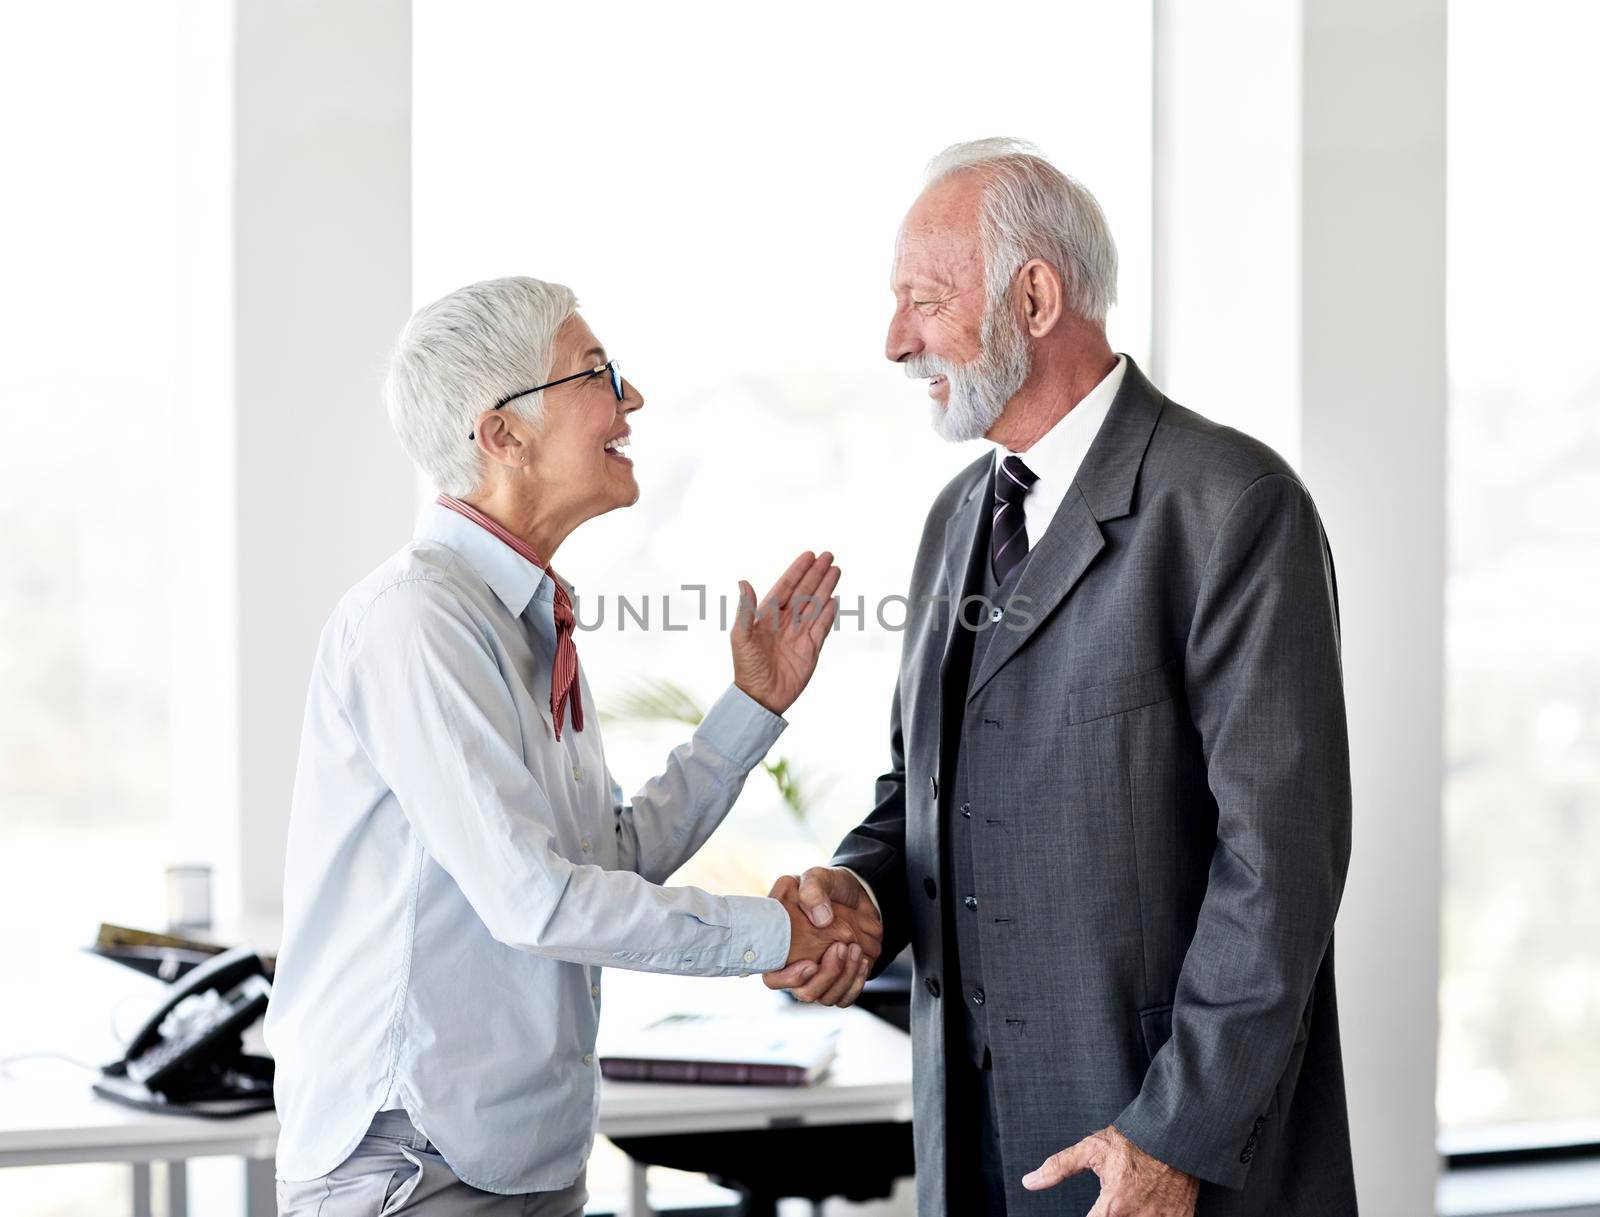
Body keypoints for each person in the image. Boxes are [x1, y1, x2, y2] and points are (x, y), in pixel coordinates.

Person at [765, 139, 1356, 1217]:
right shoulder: (956, 519)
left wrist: (1170, 1137)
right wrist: (856, 894)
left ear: (1033, 296)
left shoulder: (1231, 505)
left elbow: (1279, 867)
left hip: (1156, 1155)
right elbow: (928, 796)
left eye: (922, 301)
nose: (895, 339)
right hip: (973, 1151)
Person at [265, 276, 879, 1216]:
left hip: (519, 1152)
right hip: (414, 1161)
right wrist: (778, 931)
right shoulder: (417, 621)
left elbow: (602, 861)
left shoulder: (525, 618)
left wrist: (752, 706)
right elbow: (537, 901)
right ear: (501, 434)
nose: (631, 399)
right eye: (597, 374)